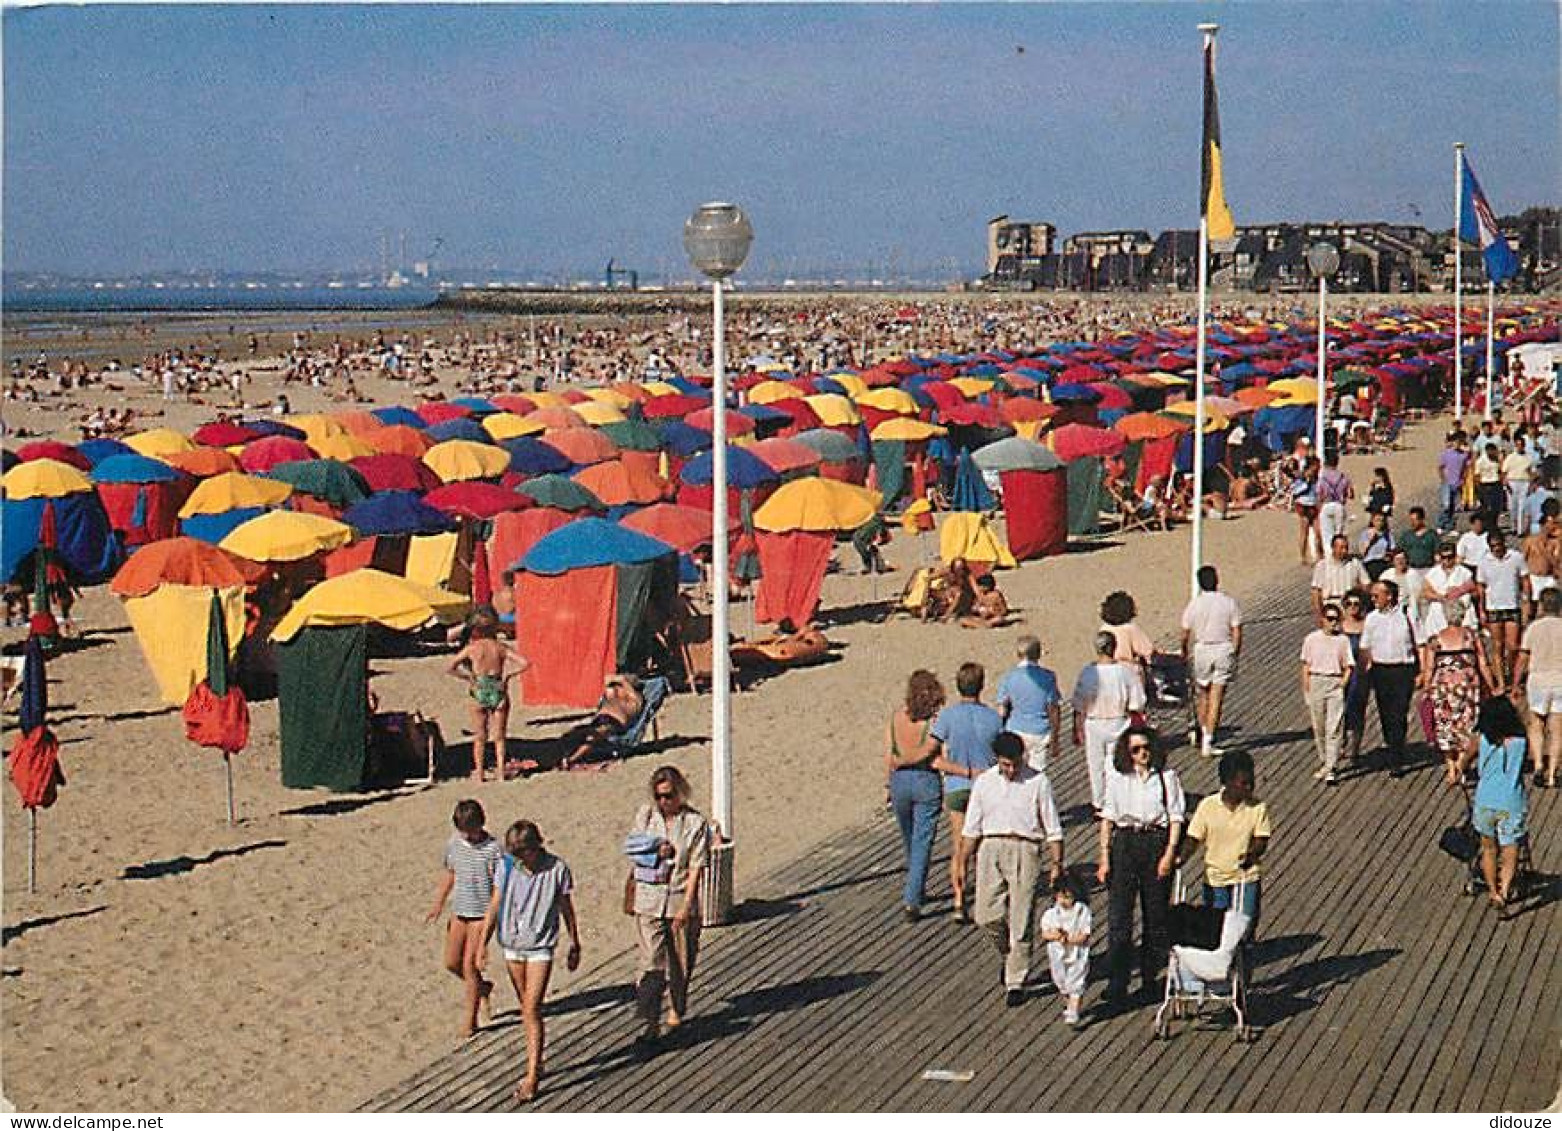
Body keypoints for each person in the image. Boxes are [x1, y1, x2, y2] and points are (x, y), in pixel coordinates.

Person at [478, 820, 580, 1103]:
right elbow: (495, 904)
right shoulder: (507, 866)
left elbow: (566, 908)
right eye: (515, 855)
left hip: (540, 946)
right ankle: (536, 1058)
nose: (520, 860)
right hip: (512, 943)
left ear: (536, 847)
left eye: (523, 854)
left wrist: (575, 941)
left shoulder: (557, 869)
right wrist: (481, 945)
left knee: (532, 1006)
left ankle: (532, 1073)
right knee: (526, 1007)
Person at [960, 731, 1065, 1007]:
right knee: (985, 915)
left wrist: (1056, 863)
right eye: (1005, 765)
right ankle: (1009, 954)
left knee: (1022, 915)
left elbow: (1053, 827)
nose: (1010, 770)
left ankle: (1016, 979)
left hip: (1025, 846)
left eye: (1014, 764)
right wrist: (961, 863)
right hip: (991, 845)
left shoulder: (1038, 781)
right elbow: (971, 827)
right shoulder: (984, 783)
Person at [1097, 725, 1185, 1003]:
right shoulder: (1118, 779)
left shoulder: (1166, 778)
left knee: (1155, 915)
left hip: (1155, 841)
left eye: (1146, 748)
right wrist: (1104, 856)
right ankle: (1118, 980)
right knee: (1119, 917)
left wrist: (1169, 853)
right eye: (1135, 749)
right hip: (1125, 842)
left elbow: (1175, 817)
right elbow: (1108, 817)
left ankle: (1150, 978)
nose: (1142, 754)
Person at [625, 766, 710, 1047]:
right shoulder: (646, 816)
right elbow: (632, 848)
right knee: (650, 961)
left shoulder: (695, 823)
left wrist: (687, 906)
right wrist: (654, 849)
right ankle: (650, 1022)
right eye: (659, 796)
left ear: (680, 793)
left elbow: (697, 866)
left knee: (681, 962)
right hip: (649, 897)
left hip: (678, 897)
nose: (664, 802)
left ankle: (676, 1009)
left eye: (669, 796)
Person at [930, 662, 1004, 924]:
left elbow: (933, 749)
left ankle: (959, 899)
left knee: (959, 846)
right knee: (983, 845)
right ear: (981, 686)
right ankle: (985, 895)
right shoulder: (993, 718)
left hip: (956, 785)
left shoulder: (948, 717)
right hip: (983, 787)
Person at [426, 799, 503, 1040]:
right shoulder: (454, 845)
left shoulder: (494, 850)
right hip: (460, 911)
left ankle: (470, 1022)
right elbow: (450, 872)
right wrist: (438, 902)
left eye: (471, 830)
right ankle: (482, 987)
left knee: (470, 966)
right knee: (451, 962)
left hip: (482, 914)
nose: (468, 836)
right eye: (463, 831)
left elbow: (499, 888)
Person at [1455, 697, 1529, 912]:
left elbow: (1464, 761)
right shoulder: (1520, 742)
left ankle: (1492, 890)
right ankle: (1504, 890)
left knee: (1488, 848)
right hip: (1511, 801)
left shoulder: (1480, 740)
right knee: (1510, 846)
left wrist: (1459, 770)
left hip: (1485, 800)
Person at [1183, 750, 1271, 931]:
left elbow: (1261, 839)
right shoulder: (1208, 805)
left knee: (1245, 925)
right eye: (1244, 783)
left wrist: (1252, 854)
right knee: (1217, 927)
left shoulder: (1257, 807)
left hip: (1245, 876)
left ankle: (1243, 953)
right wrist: (1181, 857)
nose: (1249, 787)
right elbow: (1194, 838)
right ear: (1228, 783)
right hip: (1216, 877)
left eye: (1251, 782)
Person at [884, 670, 946, 920]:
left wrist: (889, 782)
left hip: (899, 782)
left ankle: (916, 887)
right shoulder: (933, 723)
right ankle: (912, 898)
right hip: (924, 780)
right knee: (922, 840)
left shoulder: (895, 718)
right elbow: (930, 752)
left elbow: (889, 757)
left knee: (910, 838)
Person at [1071, 631, 1146, 815]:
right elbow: (1138, 702)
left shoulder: (1088, 673)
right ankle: (1117, 800)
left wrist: (1077, 727)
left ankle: (1099, 802)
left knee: (1095, 765)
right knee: (1116, 763)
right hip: (1119, 720)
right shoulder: (1125, 672)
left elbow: (1079, 703)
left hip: (1094, 722)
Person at [447, 617, 529, 781]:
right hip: (497, 688)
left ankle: (480, 773)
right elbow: (524, 663)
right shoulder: (499, 647)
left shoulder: (473, 648)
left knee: (480, 737)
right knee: (499, 737)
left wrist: (468, 677)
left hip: (479, 688)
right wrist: (507, 677)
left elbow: (450, 667)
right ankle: (500, 772)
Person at [1421, 597, 1493, 785]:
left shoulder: (1435, 640)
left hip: (1444, 688)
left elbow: (1429, 668)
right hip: (1467, 686)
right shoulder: (1471, 636)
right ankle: (1462, 762)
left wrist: (1427, 687)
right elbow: (1483, 663)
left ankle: (1452, 769)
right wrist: (1491, 685)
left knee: (1446, 726)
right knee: (1467, 725)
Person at [1180, 565, 1242, 758]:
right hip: (1223, 647)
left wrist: (1184, 652)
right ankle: (1208, 738)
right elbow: (1237, 630)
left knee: (1203, 695)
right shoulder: (1228, 602)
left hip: (1202, 649)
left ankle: (1203, 732)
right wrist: (1235, 652)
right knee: (1216, 697)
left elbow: (1184, 632)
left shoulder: (1195, 604)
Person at [1360, 578, 1419, 778]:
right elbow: (1365, 647)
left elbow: (1420, 642)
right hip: (1381, 670)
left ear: (1390, 596)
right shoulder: (1372, 619)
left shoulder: (1407, 615)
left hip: (1403, 669)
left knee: (1399, 711)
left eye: (1377, 595)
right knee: (1385, 712)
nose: (1373, 599)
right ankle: (1393, 746)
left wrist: (1424, 670)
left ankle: (1397, 754)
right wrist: (1365, 670)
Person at [1512, 586, 1562, 789]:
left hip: (1538, 680)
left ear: (1541, 605)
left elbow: (1523, 659)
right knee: (1557, 728)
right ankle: (1552, 772)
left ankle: (1539, 764)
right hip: (1560, 680)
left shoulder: (1533, 628)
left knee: (1536, 724)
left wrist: (1515, 683)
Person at [1300, 603, 1354, 785]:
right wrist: (1306, 689)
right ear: (1322, 620)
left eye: (1336, 619)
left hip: (1334, 681)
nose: (1333, 623)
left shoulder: (1343, 641)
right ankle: (1324, 760)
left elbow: (1348, 665)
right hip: (1316, 681)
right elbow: (1305, 666)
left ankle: (1332, 766)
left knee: (1334, 727)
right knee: (1319, 726)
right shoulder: (1311, 639)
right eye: (1329, 619)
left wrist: (1342, 683)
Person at [995, 636, 1062, 773]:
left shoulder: (1009, 677)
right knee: (1037, 774)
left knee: (1015, 771)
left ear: (1018, 654)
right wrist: (1055, 738)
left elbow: (1002, 709)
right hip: (1039, 732)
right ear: (1038, 654)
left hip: (1016, 729)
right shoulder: (1048, 677)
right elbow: (1053, 709)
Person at [558, 673, 645, 770]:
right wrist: (619, 681)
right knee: (574, 734)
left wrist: (623, 681)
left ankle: (571, 759)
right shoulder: (614, 694)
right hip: (600, 720)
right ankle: (566, 756)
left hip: (614, 723)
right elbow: (607, 681)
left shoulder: (636, 699)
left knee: (592, 737)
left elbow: (632, 699)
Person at [1039, 874, 1092, 1027]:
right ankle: (1069, 1004)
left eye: (1068, 897)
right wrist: (1055, 936)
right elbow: (1045, 933)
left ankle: (1074, 1009)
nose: (1064, 901)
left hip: (1077, 953)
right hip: (1057, 955)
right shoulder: (1051, 914)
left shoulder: (1082, 911)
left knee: (1076, 982)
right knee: (1061, 981)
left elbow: (1084, 935)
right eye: (1061, 896)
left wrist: (1068, 939)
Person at [1477, 532, 1528, 687]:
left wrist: (1526, 603)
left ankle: (1511, 674)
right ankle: (1501, 682)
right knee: (1497, 645)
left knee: (1512, 645)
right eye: (1493, 547)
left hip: (1512, 605)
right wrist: (1482, 609)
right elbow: (1481, 586)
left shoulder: (1516, 558)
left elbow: (1525, 580)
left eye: (1499, 545)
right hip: (1494, 607)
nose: (1497, 549)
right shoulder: (1484, 562)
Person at [1340, 589, 1372, 764]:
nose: (1352, 608)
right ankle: (1341, 743)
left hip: (1360, 675)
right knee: (1340, 709)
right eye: (1349, 604)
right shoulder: (1340, 625)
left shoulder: (1367, 625)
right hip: (1342, 673)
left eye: (1356, 604)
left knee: (1358, 710)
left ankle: (1355, 748)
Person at [1311, 534, 1370, 626]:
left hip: (1350, 605)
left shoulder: (1355, 563)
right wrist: (1319, 614)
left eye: (1346, 547)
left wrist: (1362, 605)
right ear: (1333, 548)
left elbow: (1366, 584)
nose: (1344, 550)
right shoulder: (1322, 565)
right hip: (1330, 605)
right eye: (1341, 547)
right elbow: (1316, 592)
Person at [1100, 590, 1155, 687]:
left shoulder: (1104, 628)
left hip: (1107, 670)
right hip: (1128, 672)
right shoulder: (1130, 628)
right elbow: (1147, 651)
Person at [1316, 452, 1354, 549]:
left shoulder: (1323, 477)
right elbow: (1351, 495)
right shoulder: (1343, 477)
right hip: (1339, 505)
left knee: (1327, 535)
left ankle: (1329, 555)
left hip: (1327, 504)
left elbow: (1319, 495)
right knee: (1339, 533)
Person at [1290, 456, 1321, 562]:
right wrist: (1306, 483)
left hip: (1313, 504)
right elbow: (1295, 491)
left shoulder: (1316, 477)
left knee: (1318, 531)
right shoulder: (1301, 477)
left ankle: (1319, 554)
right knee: (1304, 531)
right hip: (1304, 504)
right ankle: (1302, 556)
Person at [1437, 432, 1470, 531]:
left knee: (1453, 506)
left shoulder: (1463, 455)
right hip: (1447, 482)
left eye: (1459, 442)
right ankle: (1440, 524)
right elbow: (1440, 467)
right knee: (1446, 505)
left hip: (1457, 483)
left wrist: (1463, 479)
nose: (1457, 444)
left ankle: (1450, 526)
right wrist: (1443, 479)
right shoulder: (1446, 454)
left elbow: (1466, 467)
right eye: (1455, 442)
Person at [1504, 437, 1536, 536]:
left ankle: (1520, 530)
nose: (1519, 447)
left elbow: (1532, 472)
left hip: (1524, 482)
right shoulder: (1510, 457)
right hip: (1512, 482)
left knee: (1522, 507)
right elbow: (1504, 471)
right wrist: (1505, 483)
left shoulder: (1529, 457)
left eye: (1521, 445)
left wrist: (1531, 484)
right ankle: (1514, 527)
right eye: (1517, 445)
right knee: (1512, 507)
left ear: (1524, 445)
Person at [1358, 511, 1394, 581]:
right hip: (1370, 564)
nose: (1380, 523)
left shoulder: (1387, 535)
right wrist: (1370, 540)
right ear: (1372, 521)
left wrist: (1388, 555)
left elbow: (1392, 549)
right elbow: (1362, 552)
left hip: (1383, 563)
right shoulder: (1366, 533)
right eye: (1377, 520)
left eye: (1382, 520)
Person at [1474, 442, 1504, 526]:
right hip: (1485, 485)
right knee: (1487, 507)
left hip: (1496, 484)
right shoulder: (1480, 461)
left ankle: (1494, 524)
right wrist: (1479, 489)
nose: (1492, 453)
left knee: (1496, 507)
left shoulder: (1497, 460)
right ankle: (1486, 524)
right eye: (1490, 451)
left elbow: (1500, 471)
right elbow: (1477, 475)